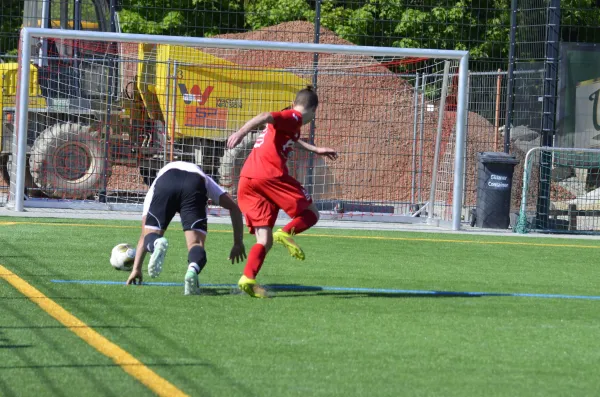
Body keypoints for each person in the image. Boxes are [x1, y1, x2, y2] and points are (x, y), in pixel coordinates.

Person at [226, 85, 338, 298]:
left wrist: (316, 149)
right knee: (312, 213)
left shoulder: (291, 126)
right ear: (313, 110)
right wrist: (241, 132)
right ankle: (285, 233)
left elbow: (293, 141)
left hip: (248, 180)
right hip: (269, 175)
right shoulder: (294, 117)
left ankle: (247, 278)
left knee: (264, 240)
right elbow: (265, 115)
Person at [126, 161, 246, 295]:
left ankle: (156, 243)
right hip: (194, 183)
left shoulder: (156, 184)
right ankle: (192, 270)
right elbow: (234, 208)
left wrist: (136, 268)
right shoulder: (204, 177)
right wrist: (238, 242)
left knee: (150, 235)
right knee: (195, 243)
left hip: (166, 182)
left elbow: (144, 234)